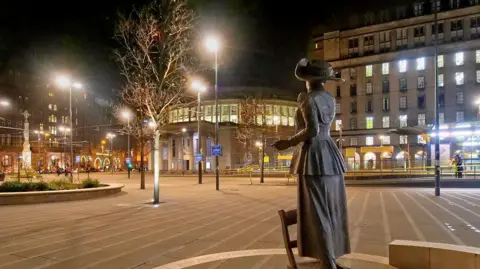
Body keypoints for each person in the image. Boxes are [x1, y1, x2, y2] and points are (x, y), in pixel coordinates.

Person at [272, 58, 350, 269]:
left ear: (308, 79)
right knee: (332, 209)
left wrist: (287, 142)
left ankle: (328, 263)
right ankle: (330, 256)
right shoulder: (329, 99)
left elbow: (312, 130)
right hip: (330, 155)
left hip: (314, 156)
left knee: (317, 212)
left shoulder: (308, 98)